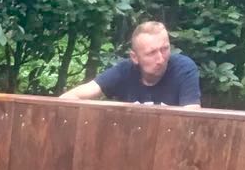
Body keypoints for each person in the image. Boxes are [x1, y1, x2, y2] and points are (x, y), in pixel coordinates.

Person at [60, 22, 202, 108]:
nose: (160, 58)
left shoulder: (184, 69)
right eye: (151, 53)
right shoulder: (124, 71)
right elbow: (69, 97)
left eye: (165, 49)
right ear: (135, 57)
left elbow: (192, 118)